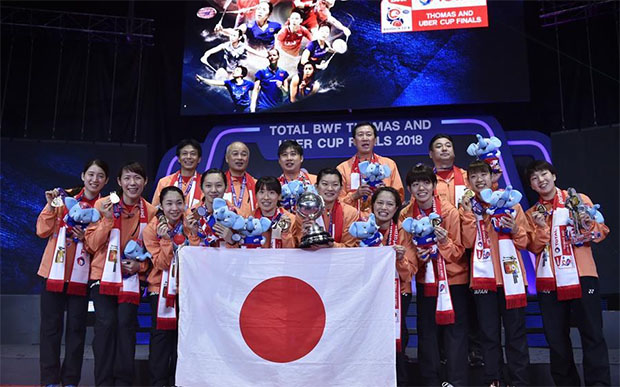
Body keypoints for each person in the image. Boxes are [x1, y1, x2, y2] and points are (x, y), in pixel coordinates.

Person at [524, 160, 610, 386]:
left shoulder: (578, 201)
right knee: (556, 339)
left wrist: (589, 223)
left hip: (582, 275)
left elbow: (601, 233)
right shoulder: (532, 213)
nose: (541, 180)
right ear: (532, 186)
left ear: (554, 176)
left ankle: (598, 384)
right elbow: (532, 247)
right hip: (549, 282)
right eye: (534, 178)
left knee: (592, 334)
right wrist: (542, 228)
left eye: (544, 174)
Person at [36, 159, 109, 387]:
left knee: (76, 330)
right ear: (82, 175)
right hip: (53, 271)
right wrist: (50, 206)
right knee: (50, 328)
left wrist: (84, 238)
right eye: (91, 174)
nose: (94, 180)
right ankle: (49, 380)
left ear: (106, 181)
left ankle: (70, 381)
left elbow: (99, 244)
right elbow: (42, 230)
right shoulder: (62, 197)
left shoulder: (104, 206)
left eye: (100, 176)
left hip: (83, 275)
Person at [85, 161, 157, 386]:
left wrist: (140, 267)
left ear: (145, 182)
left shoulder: (152, 211)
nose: (132, 183)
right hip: (102, 276)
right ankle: (104, 381)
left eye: (137, 178)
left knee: (126, 324)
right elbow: (91, 245)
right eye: (127, 178)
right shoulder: (102, 205)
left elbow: (153, 252)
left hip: (132, 279)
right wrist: (107, 219)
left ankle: (124, 381)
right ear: (118, 182)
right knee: (106, 324)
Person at [459, 160, 530, 387]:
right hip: (483, 280)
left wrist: (515, 228)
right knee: (488, 335)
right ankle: (494, 380)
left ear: (492, 178)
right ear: (468, 182)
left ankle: (519, 382)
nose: (479, 180)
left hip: (512, 278)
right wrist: (469, 214)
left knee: (515, 334)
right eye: (474, 176)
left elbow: (524, 241)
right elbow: (468, 242)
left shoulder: (511, 204)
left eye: (483, 175)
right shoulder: (467, 207)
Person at [399, 164, 467, 386]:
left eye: (426, 182)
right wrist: (421, 257)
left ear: (434, 185)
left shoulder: (448, 212)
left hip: (453, 280)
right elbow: (407, 253)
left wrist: (444, 242)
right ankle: (431, 381)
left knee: (454, 333)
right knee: (426, 332)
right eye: (416, 184)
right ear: (409, 188)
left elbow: (458, 252)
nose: (421, 188)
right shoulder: (405, 215)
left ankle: (455, 382)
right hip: (426, 280)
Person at [429, 133, 485, 368]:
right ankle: (443, 352)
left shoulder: (466, 176)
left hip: (472, 246)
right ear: (431, 154)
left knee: (472, 303)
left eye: (448, 146)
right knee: (441, 302)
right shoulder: (426, 181)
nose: (444, 150)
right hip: (439, 249)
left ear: (454, 151)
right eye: (438, 147)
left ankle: (475, 350)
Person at [143, 187, 200, 386]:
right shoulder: (152, 228)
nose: (174, 208)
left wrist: (193, 235)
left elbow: (197, 258)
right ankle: (158, 382)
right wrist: (166, 240)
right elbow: (161, 264)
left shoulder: (190, 222)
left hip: (187, 290)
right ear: (161, 205)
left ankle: (179, 381)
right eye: (169, 203)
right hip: (160, 290)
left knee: (182, 339)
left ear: (184, 204)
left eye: (178, 203)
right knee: (160, 339)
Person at [369, 187, 414, 382]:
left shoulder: (404, 231)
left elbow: (410, 272)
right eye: (379, 203)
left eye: (389, 204)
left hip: (398, 293)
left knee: (397, 338)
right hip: (370, 295)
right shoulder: (362, 229)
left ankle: (399, 381)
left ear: (396, 208)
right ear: (372, 206)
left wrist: (401, 259)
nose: (384, 208)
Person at [337, 121, 404, 213]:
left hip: (382, 219)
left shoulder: (388, 164)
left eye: (368, 134)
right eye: (360, 135)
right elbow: (337, 202)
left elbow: (400, 197)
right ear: (354, 141)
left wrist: (384, 193)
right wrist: (354, 195)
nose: (365, 138)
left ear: (375, 140)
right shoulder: (343, 169)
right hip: (353, 222)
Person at [295, 168, 358, 248]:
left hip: (340, 259)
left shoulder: (350, 213)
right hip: (311, 257)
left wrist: (331, 245)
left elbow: (350, 247)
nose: (330, 189)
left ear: (341, 188)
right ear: (316, 187)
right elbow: (298, 245)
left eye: (335, 185)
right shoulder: (305, 211)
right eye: (325, 184)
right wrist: (304, 236)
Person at [191, 168, 242, 247]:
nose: (213, 190)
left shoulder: (236, 214)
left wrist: (232, 241)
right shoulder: (192, 213)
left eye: (218, 185)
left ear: (226, 187)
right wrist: (194, 234)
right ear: (201, 188)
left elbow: (244, 252)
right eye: (208, 186)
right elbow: (186, 253)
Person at [152, 139, 203, 208]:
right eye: (185, 153)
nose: (188, 157)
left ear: (199, 159)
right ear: (178, 158)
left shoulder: (205, 183)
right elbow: (155, 210)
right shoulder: (164, 182)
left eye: (193, 154)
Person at [253, 176, 299, 248]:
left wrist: (286, 233)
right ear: (255, 195)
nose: (266, 197)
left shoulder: (291, 220)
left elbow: (294, 252)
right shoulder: (249, 219)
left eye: (271, 193)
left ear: (279, 196)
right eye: (261, 192)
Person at [199, 29, 266, 77]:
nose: (231, 37)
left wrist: (266, 56)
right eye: (231, 35)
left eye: (234, 35)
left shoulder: (243, 46)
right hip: (230, 68)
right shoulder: (226, 45)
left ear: (239, 38)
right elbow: (210, 51)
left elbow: (256, 53)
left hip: (241, 69)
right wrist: (205, 56)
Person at [223, 142, 256, 216]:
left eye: (243, 155)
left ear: (248, 159)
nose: (239, 157)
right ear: (227, 158)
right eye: (235, 154)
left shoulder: (256, 184)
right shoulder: (219, 184)